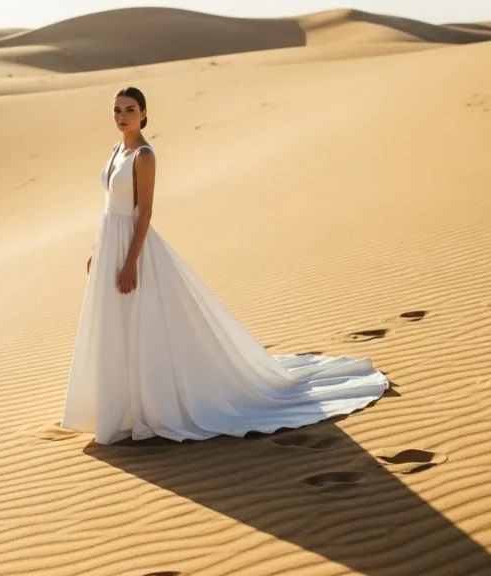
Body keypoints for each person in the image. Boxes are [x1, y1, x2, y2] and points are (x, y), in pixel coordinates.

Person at [60, 86, 388, 445]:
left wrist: (130, 262)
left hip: (132, 249)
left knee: (143, 323)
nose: (122, 116)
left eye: (130, 109)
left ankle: (150, 403)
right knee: (116, 324)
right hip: (111, 242)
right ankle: (119, 404)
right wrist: (97, 249)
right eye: (117, 110)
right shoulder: (115, 150)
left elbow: (146, 212)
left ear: (144, 114)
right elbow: (109, 208)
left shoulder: (144, 155)